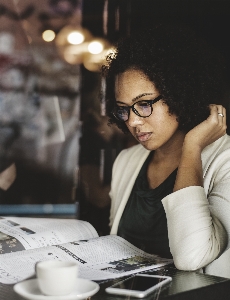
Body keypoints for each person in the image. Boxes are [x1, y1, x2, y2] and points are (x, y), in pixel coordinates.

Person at [101, 23, 230, 277]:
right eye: (124, 108)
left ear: (178, 93)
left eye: (145, 104)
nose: (133, 121)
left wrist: (191, 147)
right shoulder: (126, 161)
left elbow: (191, 255)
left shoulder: (225, 161)